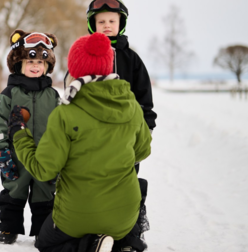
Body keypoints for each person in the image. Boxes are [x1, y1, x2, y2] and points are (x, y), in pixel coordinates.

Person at [9, 32, 152, 252]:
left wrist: (19, 134)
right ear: (108, 67)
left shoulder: (65, 114)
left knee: (44, 242)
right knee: (121, 213)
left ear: (74, 70)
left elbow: (44, 170)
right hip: (124, 217)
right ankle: (121, 243)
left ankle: (92, 245)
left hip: (76, 216)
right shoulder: (131, 104)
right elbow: (142, 150)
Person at [82, 1, 158, 250]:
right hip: (94, 136)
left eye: (111, 21)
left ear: (120, 24)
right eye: (101, 21)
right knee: (95, 180)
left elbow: (144, 98)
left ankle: (130, 232)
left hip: (126, 136)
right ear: (92, 24)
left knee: (126, 184)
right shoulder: (86, 55)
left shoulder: (131, 58)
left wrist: (145, 128)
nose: (106, 26)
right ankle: (97, 230)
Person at [0, 29, 60, 244]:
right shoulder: (9, 94)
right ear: (19, 64)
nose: (35, 66)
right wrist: (1, 150)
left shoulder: (53, 95)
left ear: (47, 66)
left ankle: (43, 231)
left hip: (45, 156)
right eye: (30, 62)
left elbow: (61, 125)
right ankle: (9, 229)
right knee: (13, 191)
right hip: (16, 156)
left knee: (45, 194)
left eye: (40, 62)